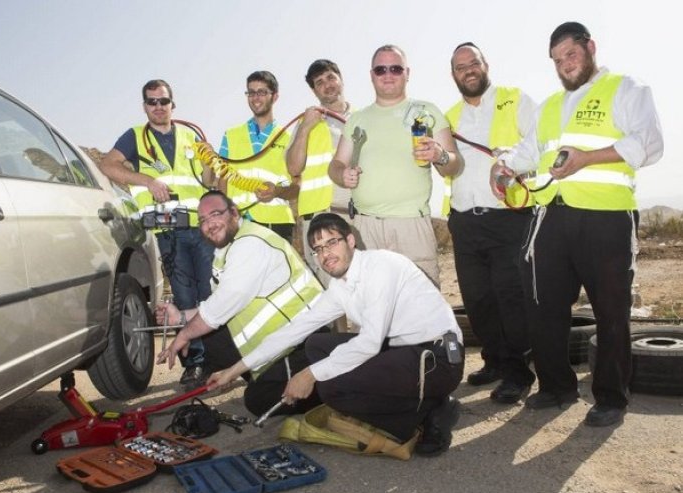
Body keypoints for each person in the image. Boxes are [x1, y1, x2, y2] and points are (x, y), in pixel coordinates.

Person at [490, 22, 664, 426]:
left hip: (606, 218)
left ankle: (610, 398)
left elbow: (650, 143)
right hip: (551, 216)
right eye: (556, 60)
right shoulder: (550, 105)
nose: (565, 66)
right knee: (543, 306)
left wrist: (587, 158)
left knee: (610, 311)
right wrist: (503, 167)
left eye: (570, 55)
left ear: (591, 48)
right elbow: (529, 151)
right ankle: (556, 387)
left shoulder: (626, 89)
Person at [208, 213, 465, 456]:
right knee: (317, 344)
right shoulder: (340, 287)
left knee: (330, 388)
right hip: (401, 350)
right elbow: (293, 331)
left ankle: (431, 412)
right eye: (318, 249)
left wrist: (309, 374)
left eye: (332, 243)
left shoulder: (381, 266)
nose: (325, 254)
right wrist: (232, 370)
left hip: (436, 359)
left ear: (350, 240)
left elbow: (370, 343)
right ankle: (394, 401)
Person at [155, 190, 324, 417]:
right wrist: (180, 317)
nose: (209, 224)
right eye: (203, 220)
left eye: (216, 214)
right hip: (276, 341)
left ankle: (329, 385)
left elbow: (221, 306)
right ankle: (263, 375)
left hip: (304, 342)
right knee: (210, 335)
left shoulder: (251, 244)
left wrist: (184, 334)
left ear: (234, 213)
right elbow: (218, 305)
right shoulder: (226, 249)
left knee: (257, 400)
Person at [99, 79, 214, 388]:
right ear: (144, 106)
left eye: (163, 101)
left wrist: (209, 161)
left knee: (211, 293)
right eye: (152, 102)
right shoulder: (135, 137)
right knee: (186, 298)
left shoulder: (191, 136)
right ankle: (196, 363)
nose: (158, 107)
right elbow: (108, 166)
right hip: (168, 231)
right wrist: (147, 181)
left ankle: (222, 358)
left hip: (201, 227)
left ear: (172, 104)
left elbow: (208, 178)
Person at [443, 42, 537, 403]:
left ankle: (518, 372)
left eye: (473, 63)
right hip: (464, 222)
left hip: (508, 219)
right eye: (460, 67)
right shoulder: (448, 116)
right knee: (477, 299)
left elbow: (539, 142)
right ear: (453, 75)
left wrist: (512, 159)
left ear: (485, 64)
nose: (468, 70)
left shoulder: (516, 100)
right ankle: (495, 361)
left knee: (510, 298)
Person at [328, 44, 463, 288]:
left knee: (421, 312)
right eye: (381, 69)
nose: (388, 75)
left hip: (412, 227)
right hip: (365, 228)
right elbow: (335, 165)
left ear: (407, 73)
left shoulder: (427, 111)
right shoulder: (357, 119)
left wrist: (440, 155)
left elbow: (454, 165)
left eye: (395, 68)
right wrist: (342, 174)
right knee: (371, 310)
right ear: (371, 75)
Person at [285, 59, 352, 285]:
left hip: (356, 215)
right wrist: (305, 127)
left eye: (331, 77)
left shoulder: (362, 119)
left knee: (363, 285)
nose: (327, 84)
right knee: (330, 289)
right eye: (319, 82)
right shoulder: (305, 124)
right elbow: (293, 167)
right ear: (314, 91)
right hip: (317, 218)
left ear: (341, 79)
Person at [219, 71, 298, 242]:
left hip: (278, 223)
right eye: (251, 92)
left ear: (274, 96)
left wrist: (276, 191)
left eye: (262, 92)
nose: (255, 98)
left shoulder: (289, 139)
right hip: (240, 223)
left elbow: (296, 187)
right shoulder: (230, 135)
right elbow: (223, 179)